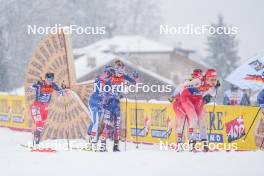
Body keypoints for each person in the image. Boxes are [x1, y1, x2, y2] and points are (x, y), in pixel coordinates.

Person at [100, 60, 137, 152]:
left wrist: (135, 77)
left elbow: (134, 82)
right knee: (107, 125)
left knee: (117, 125)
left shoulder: (124, 76)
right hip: (108, 103)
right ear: (115, 68)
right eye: (118, 68)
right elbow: (102, 79)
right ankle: (102, 146)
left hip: (116, 104)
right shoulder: (110, 74)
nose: (120, 72)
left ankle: (116, 146)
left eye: (121, 69)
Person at [177, 69, 220, 151]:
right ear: (206, 78)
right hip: (187, 99)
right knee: (194, 119)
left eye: (215, 79)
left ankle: (205, 145)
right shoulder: (198, 81)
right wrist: (187, 84)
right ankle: (191, 145)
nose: (213, 82)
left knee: (202, 122)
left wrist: (213, 91)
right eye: (211, 79)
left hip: (197, 100)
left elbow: (213, 94)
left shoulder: (213, 85)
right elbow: (183, 86)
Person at [29, 73, 68, 145]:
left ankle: (36, 137)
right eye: (48, 79)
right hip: (37, 106)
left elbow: (61, 92)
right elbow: (30, 88)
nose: (50, 81)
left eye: (52, 79)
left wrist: (64, 90)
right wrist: (35, 85)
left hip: (45, 107)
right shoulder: (40, 84)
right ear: (45, 79)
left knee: (41, 124)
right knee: (39, 124)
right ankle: (36, 142)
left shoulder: (53, 85)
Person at [86, 65, 114, 151]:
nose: (111, 76)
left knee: (95, 123)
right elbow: (101, 78)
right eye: (110, 73)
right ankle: (93, 144)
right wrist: (106, 73)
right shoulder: (99, 78)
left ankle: (89, 139)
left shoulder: (109, 82)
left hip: (100, 105)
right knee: (96, 123)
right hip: (93, 103)